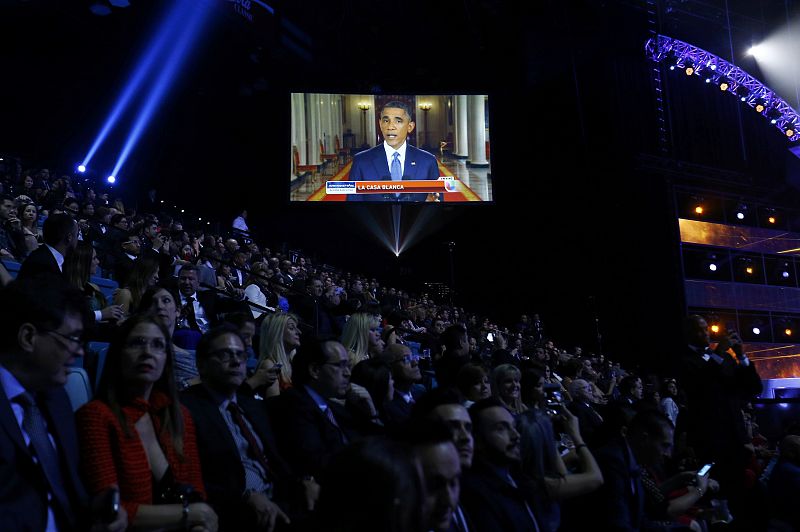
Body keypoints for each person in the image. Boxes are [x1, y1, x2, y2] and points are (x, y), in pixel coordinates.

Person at [0, 275, 128, 531]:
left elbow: (63, 493)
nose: (81, 352)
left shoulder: (57, 398)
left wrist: (96, 512)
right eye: (72, 339)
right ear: (28, 337)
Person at [76, 315, 218, 531]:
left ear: (166, 359)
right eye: (137, 343)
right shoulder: (96, 416)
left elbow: (196, 491)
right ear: (118, 354)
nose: (148, 352)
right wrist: (190, 514)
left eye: (158, 345)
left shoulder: (179, 415)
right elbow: (109, 510)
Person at [181, 325, 298, 532]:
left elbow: (277, 459)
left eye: (241, 355)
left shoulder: (252, 405)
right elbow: (191, 476)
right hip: (232, 511)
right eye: (225, 355)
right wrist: (245, 496)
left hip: (281, 498)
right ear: (201, 364)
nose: (236, 362)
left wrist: (303, 482)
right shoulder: (186, 408)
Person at [460, 397, 544, 531]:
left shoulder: (516, 477)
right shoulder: (476, 494)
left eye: (514, 427)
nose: (515, 435)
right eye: (501, 428)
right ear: (477, 439)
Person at [347, 100, 440, 202]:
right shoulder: (361, 161)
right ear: (380, 124)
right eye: (386, 121)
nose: (390, 127)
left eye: (398, 121)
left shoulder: (428, 161)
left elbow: (438, 204)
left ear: (410, 127)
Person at [139, 286, 200, 390]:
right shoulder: (139, 351)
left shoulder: (196, 357)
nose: (159, 306)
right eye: (153, 302)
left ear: (178, 311)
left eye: (166, 300)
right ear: (145, 312)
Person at [242, 312, 301, 398]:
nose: (299, 332)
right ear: (277, 333)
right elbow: (274, 406)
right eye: (291, 328)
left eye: (297, 328)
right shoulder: (270, 365)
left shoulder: (295, 364)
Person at [17, 212, 78, 279]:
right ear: (69, 237)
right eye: (76, 235)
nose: (77, 240)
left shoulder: (51, 258)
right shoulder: (42, 264)